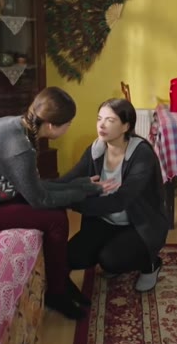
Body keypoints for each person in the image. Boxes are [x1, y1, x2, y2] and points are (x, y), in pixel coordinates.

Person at [0, 87, 115, 319]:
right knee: (56, 219)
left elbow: (34, 186)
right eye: (68, 123)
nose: (69, 127)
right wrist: (84, 192)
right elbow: (40, 199)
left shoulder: (17, 126)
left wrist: (82, 185)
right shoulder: (19, 148)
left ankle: (59, 279)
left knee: (56, 209)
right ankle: (57, 294)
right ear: (52, 125)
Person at [60, 98, 168, 292]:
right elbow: (68, 179)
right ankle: (117, 256)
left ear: (126, 126)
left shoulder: (142, 154)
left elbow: (119, 201)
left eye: (110, 120)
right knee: (72, 257)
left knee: (110, 260)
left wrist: (71, 203)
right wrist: (36, 189)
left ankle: (151, 264)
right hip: (105, 221)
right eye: (99, 118)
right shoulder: (96, 150)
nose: (101, 125)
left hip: (139, 224)